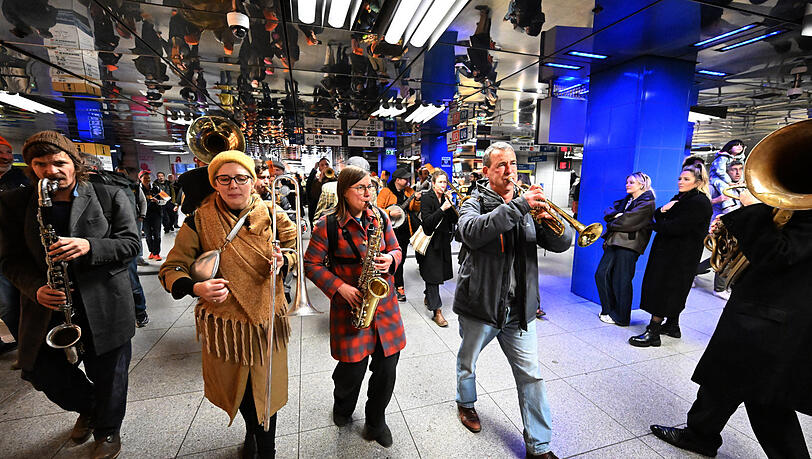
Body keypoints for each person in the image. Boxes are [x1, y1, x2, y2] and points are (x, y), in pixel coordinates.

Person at [0, 130, 139, 458]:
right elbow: (10, 260)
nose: (51, 171)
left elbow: (130, 243)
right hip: (48, 302)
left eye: (59, 162)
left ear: (74, 163)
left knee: (109, 370)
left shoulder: (108, 194)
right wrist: (36, 289)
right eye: (41, 164)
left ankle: (107, 429)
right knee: (39, 369)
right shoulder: (15, 203)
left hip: (104, 299)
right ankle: (90, 406)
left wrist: (90, 246)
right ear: (31, 166)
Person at [650, 190, 812, 459]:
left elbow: (777, 256)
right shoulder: (796, 209)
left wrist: (755, 210)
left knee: (765, 401)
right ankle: (699, 436)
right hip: (758, 310)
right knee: (720, 381)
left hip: (774, 320)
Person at [159, 150, 296, 459]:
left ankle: (267, 449)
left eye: (241, 178)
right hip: (227, 324)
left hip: (266, 319)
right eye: (225, 179)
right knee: (240, 390)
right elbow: (171, 269)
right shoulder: (198, 219)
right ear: (215, 183)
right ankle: (251, 431)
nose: (234, 185)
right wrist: (197, 287)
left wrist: (284, 258)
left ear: (254, 181)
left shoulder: (274, 213)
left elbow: (295, 246)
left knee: (266, 388)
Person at [454, 142, 572, 459]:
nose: (510, 170)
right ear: (486, 171)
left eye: (513, 163)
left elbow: (563, 243)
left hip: (519, 309)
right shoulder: (473, 202)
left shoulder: (528, 208)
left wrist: (549, 219)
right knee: (468, 362)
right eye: (502, 165)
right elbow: (473, 232)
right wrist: (518, 206)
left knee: (531, 375)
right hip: (480, 304)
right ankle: (465, 403)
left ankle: (539, 446)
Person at [303, 165, 404, 448]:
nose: (367, 192)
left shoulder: (381, 217)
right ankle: (343, 407)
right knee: (351, 371)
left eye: (369, 186)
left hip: (384, 309)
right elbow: (310, 264)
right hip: (351, 306)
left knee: (387, 370)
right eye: (360, 188)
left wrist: (390, 260)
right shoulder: (327, 225)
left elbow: (396, 249)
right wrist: (339, 288)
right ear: (344, 192)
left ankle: (376, 421)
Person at [629, 164, 712, 347]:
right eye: (680, 178)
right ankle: (673, 326)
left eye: (686, 179)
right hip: (673, 253)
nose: (680, 182)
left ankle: (653, 332)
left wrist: (654, 224)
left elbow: (674, 227)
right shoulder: (684, 198)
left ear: (698, 182)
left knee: (664, 289)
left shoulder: (699, 202)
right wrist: (662, 212)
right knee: (674, 289)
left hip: (678, 256)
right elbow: (661, 214)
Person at [594, 172, 656, 326]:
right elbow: (609, 212)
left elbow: (626, 222)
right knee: (601, 274)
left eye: (631, 182)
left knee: (622, 280)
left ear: (641, 185)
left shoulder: (647, 203)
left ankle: (621, 318)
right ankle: (609, 311)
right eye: (627, 182)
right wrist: (617, 216)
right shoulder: (628, 200)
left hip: (629, 245)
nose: (627, 185)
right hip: (615, 241)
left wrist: (615, 219)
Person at [414, 169, 458, 327]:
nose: (443, 185)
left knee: (439, 274)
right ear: (433, 184)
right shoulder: (427, 198)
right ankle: (437, 312)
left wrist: (451, 206)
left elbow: (454, 220)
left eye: (445, 182)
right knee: (432, 275)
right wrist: (442, 209)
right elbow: (427, 222)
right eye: (440, 182)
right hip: (430, 243)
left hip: (443, 242)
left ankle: (428, 294)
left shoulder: (446, 198)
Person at [0, 135, 29, 355]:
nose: (4, 156)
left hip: (17, 251)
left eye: (7, 152)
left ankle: (25, 344)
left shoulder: (21, 179)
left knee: (10, 302)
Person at [376, 166, 417, 302]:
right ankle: (398, 286)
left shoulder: (409, 191)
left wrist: (416, 199)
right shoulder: (386, 192)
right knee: (391, 258)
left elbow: (414, 208)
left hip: (404, 231)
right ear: (397, 180)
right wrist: (389, 213)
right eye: (405, 179)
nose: (407, 181)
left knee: (401, 259)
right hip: (390, 232)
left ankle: (395, 283)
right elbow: (377, 210)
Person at [139, 170, 164, 261]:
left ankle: (157, 253)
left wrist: (158, 201)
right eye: (145, 178)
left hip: (156, 214)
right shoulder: (138, 189)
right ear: (140, 179)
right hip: (145, 215)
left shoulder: (156, 188)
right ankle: (151, 251)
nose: (147, 179)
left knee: (157, 234)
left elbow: (166, 198)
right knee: (148, 235)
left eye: (148, 178)